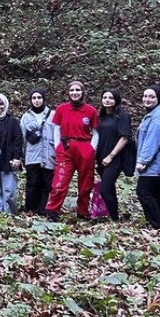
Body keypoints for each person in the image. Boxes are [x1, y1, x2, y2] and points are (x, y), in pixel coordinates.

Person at [44, 80, 99, 221]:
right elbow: (56, 128)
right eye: (72, 90)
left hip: (84, 147)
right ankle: (52, 210)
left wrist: (91, 148)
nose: (75, 93)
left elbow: (96, 132)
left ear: (83, 92)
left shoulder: (91, 111)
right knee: (60, 181)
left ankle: (83, 211)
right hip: (66, 146)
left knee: (86, 182)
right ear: (68, 93)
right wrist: (57, 146)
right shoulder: (62, 109)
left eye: (78, 90)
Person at [134, 85, 160, 229]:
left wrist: (143, 160)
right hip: (158, 162)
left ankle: (155, 223)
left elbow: (153, 139)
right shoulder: (154, 113)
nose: (147, 99)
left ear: (159, 98)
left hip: (156, 163)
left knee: (143, 191)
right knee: (158, 191)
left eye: (151, 97)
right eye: (145, 96)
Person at [95, 89, 132, 221]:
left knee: (104, 189)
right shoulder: (101, 117)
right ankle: (114, 217)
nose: (107, 100)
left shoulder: (122, 116)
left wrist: (111, 156)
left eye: (110, 97)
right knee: (110, 188)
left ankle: (115, 218)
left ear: (116, 100)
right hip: (100, 158)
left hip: (115, 158)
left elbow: (125, 137)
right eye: (104, 97)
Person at [20, 88, 55, 215]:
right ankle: (30, 208)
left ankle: (43, 209)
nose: (36, 101)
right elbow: (22, 137)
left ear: (44, 99)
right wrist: (22, 155)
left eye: (39, 98)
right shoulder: (26, 117)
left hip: (49, 154)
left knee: (47, 183)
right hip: (32, 154)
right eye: (34, 98)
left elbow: (57, 134)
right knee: (32, 183)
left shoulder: (52, 114)